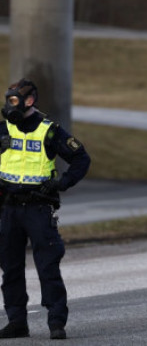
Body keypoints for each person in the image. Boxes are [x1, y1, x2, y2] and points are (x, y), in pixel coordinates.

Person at [0, 78, 91, 340]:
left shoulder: (50, 131)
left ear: (30, 101)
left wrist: (62, 182)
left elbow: (81, 158)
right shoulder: (3, 130)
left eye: (15, 100)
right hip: (9, 208)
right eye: (9, 100)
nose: (11, 105)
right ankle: (17, 322)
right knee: (10, 267)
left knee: (47, 266)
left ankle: (56, 322)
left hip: (39, 207)